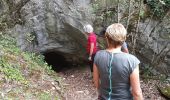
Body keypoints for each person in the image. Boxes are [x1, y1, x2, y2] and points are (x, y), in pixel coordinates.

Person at [93, 23, 143, 100]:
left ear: (107, 38)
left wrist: (101, 94)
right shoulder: (132, 60)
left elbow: (96, 82)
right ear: (124, 39)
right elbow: (137, 93)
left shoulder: (98, 55)